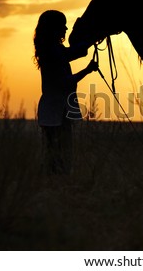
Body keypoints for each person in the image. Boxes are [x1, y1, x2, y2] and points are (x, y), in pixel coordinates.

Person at [33, 10, 97, 175]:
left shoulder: (52, 50)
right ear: (54, 29)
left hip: (54, 109)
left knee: (54, 153)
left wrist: (88, 41)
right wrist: (87, 70)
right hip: (56, 110)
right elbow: (66, 82)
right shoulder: (54, 52)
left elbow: (74, 52)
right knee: (59, 154)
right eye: (63, 25)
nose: (66, 29)